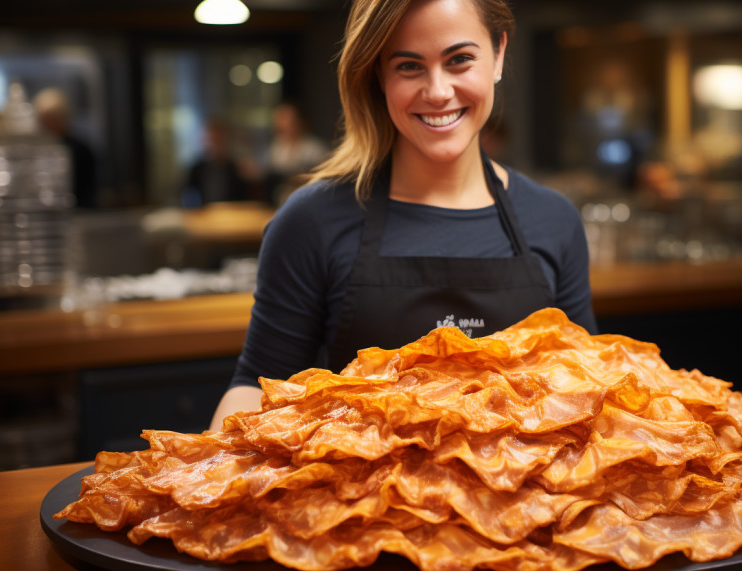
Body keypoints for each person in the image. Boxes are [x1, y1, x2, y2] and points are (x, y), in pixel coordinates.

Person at [209, 0, 597, 429]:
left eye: (460, 60)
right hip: (354, 495)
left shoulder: (553, 220)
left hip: (523, 495)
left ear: (499, 55)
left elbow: (582, 387)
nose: (437, 91)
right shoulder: (311, 221)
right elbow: (256, 383)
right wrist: (203, 481)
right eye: (409, 67)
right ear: (379, 75)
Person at [33, 87, 98, 208]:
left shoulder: (81, 150)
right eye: (45, 120)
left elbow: (89, 191)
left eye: (53, 119)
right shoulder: (34, 151)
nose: (48, 125)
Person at [262, 100, 329, 205]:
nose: (281, 123)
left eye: (285, 118)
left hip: (308, 200)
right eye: (278, 118)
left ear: (299, 121)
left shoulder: (313, 149)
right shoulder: (276, 148)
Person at [183, 117, 252, 206]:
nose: (214, 144)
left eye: (218, 139)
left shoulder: (236, 168)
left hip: (231, 215)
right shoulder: (196, 169)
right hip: (203, 215)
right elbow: (188, 198)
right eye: (211, 139)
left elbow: (244, 200)